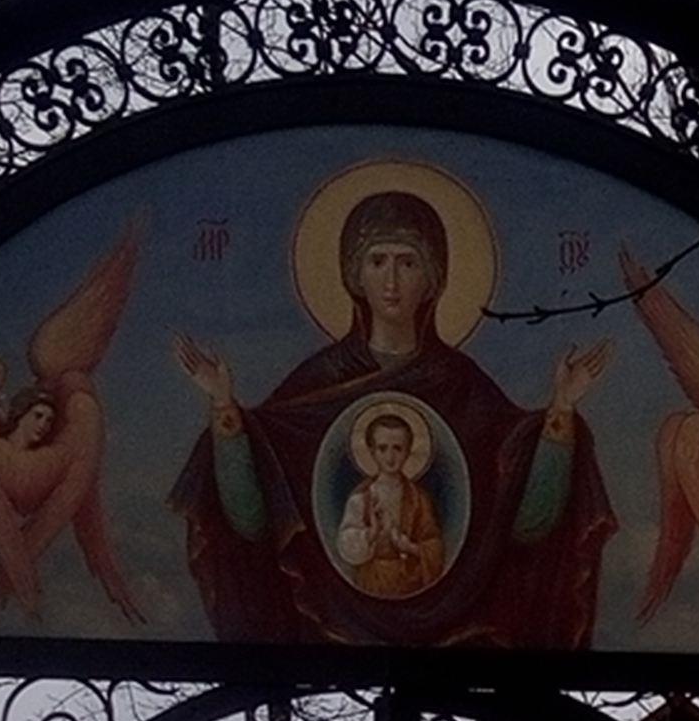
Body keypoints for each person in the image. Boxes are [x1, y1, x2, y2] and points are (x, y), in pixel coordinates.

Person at [167, 177, 615, 652]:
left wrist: (561, 411)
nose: (392, 281)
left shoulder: (463, 386)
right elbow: (253, 519)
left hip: (459, 628)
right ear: (354, 274)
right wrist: (224, 408)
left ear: (433, 278)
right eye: (377, 261)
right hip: (326, 624)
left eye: (408, 262)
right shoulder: (316, 383)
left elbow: (527, 523)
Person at [332, 404, 446, 599]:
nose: (390, 457)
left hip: (410, 582)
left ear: (408, 451)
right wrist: (372, 532)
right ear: (372, 451)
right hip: (370, 581)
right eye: (382, 448)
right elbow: (345, 544)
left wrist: (410, 547)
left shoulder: (418, 498)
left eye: (398, 448)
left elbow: (436, 545)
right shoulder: (361, 498)